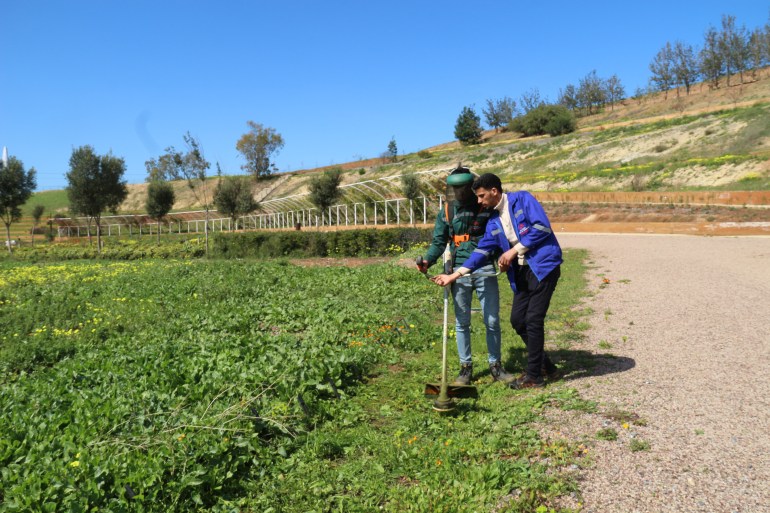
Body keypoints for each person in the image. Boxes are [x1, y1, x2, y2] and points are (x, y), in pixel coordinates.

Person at [432, 173, 563, 389]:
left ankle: (534, 377)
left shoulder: (522, 199)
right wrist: (454, 275)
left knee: (533, 319)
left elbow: (542, 227)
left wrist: (513, 251)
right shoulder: (493, 220)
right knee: (518, 320)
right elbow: (482, 250)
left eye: (482, 196)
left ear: (494, 191)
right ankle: (545, 365)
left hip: (543, 267)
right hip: (522, 272)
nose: (479, 201)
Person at [417, 166, 516, 386]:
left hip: (485, 269)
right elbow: (438, 242)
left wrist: (504, 256)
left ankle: (496, 366)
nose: (459, 193)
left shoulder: (486, 207)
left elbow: (500, 234)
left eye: (463, 188)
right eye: (455, 188)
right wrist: (428, 260)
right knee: (461, 322)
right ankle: (465, 368)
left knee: (491, 319)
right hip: (458, 272)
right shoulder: (447, 211)